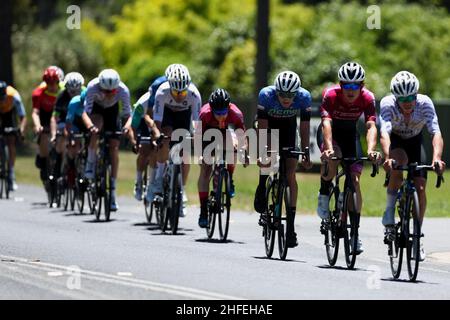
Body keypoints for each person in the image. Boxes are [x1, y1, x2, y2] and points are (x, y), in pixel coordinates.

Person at [380, 71, 445, 261]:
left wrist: (437, 159)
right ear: (396, 97)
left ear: (416, 95)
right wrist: (386, 157)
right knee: (398, 163)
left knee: (421, 187)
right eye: (403, 98)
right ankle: (390, 211)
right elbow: (384, 132)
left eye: (411, 97)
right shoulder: (387, 104)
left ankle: (417, 236)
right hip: (395, 142)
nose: (408, 102)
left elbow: (435, 133)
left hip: (416, 142)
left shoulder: (425, 103)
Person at [316, 62, 381, 254]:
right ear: (340, 84)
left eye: (355, 86)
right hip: (332, 135)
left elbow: (371, 126)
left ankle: (355, 235)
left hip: (350, 135)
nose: (351, 90)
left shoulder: (368, 98)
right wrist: (328, 149)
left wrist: (371, 150)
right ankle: (324, 191)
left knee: (355, 181)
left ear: (361, 85)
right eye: (347, 85)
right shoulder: (331, 95)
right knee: (334, 159)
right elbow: (326, 124)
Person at [253, 70, 313, 248]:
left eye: (290, 95)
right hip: (269, 126)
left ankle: (291, 227)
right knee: (269, 153)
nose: (286, 99)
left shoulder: (304, 97)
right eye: (282, 94)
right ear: (276, 91)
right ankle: (262, 185)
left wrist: (306, 152)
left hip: (289, 128)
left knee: (290, 173)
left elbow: (304, 127)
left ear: (297, 93)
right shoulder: (266, 95)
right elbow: (263, 129)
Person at [152, 64, 202, 217]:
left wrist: (195, 136)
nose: (179, 95)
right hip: (167, 115)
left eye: (182, 91)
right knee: (165, 136)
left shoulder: (194, 95)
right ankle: (160, 177)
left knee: (185, 152)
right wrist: (157, 135)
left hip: (183, 116)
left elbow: (196, 122)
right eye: (175, 91)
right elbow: (157, 122)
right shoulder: (162, 92)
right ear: (170, 87)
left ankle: (182, 190)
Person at [127, 64, 182, 201]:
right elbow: (133, 126)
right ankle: (140, 182)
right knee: (147, 150)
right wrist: (135, 142)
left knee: (163, 146)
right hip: (145, 122)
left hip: (160, 122)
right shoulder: (144, 103)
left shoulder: (171, 97)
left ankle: (163, 180)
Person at [81, 69, 131, 211]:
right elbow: (85, 112)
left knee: (114, 147)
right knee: (96, 127)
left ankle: (113, 190)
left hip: (112, 112)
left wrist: (126, 128)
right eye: (105, 91)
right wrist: (90, 127)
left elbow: (128, 115)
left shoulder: (123, 90)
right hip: (96, 110)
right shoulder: (92, 87)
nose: (109, 94)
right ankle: (90, 163)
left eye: (112, 92)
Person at [197, 88, 248, 228]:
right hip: (207, 134)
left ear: (229, 107)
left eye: (223, 113)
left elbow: (241, 134)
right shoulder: (205, 113)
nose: (221, 116)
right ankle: (203, 210)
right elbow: (198, 137)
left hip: (226, 132)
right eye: (217, 113)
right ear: (212, 109)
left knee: (234, 148)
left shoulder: (236, 113)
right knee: (205, 169)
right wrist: (201, 154)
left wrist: (243, 151)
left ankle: (229, 177)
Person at [32, 66, 63, 181]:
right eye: (48, 83)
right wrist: (37, 125)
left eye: (53, 83)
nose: (51, 86)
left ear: (58, 81)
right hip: (44, 116)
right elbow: (35, 112)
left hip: (59, 115)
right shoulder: (38, 93)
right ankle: (44, 162)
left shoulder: (63, 91)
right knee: (44, 136)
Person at [53, 72, 85, 178]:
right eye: (71, 91)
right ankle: (58, 162)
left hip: (81, 121)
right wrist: (54, 133)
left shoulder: (86, 93)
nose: (73, 93)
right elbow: (55, 117)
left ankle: (80, 164)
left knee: (79, 143)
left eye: (76, 91)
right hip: (65, 121)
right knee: (62, 136)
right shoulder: (62, 96)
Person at [0, 81, 27, 190]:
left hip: (9, 115)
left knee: (11, 141)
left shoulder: (14, 95)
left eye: (2, 97)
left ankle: (11, 171)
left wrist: (21, 129)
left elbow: (23, 116)